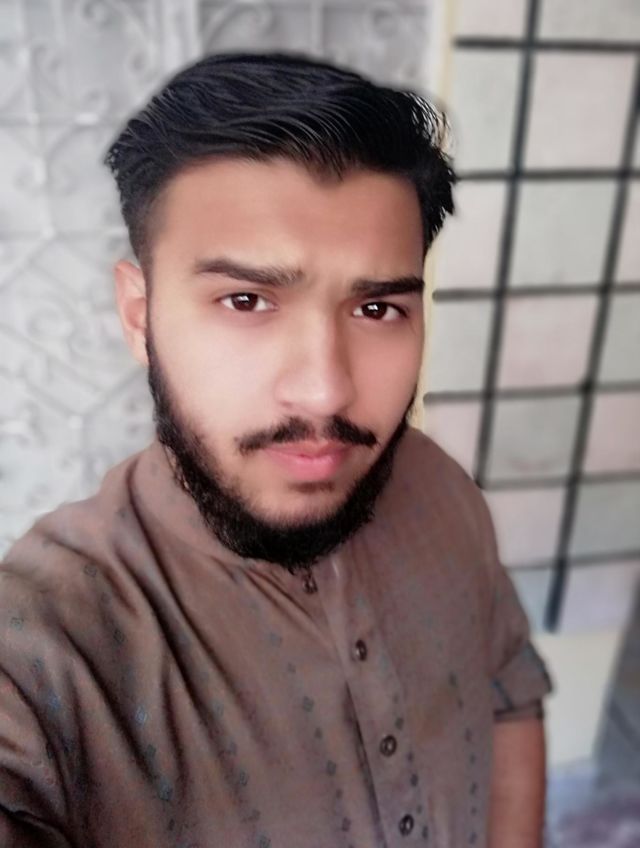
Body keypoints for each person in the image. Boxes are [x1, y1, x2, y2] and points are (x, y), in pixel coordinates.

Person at [0, 52, 552, 848]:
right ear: (139, 316)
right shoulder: (46, 650)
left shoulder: (439, 486)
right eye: (246, 300)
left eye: (376, 309)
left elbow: (510, 693)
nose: (325, 393)